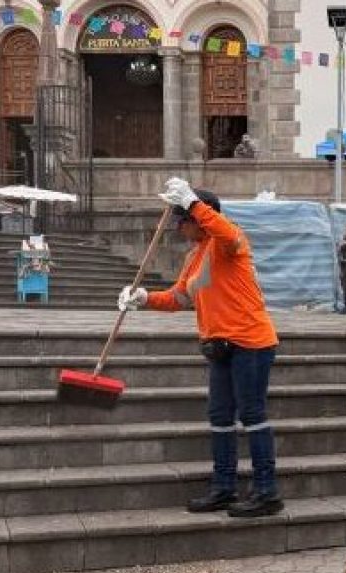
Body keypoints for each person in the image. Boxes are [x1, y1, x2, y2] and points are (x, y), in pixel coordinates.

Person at [118, 177, 283, 518]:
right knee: (220, 417)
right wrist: (145, 298)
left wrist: (193, 202)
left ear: (198, 218)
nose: (179, 226)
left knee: (252, 415)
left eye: (183, 219)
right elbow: (180, 297)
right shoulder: (196, 258)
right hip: (220, 345)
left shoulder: (228, 243)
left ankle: (267, 491)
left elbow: (225, 233)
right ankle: (224, 487)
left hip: (250, 342)